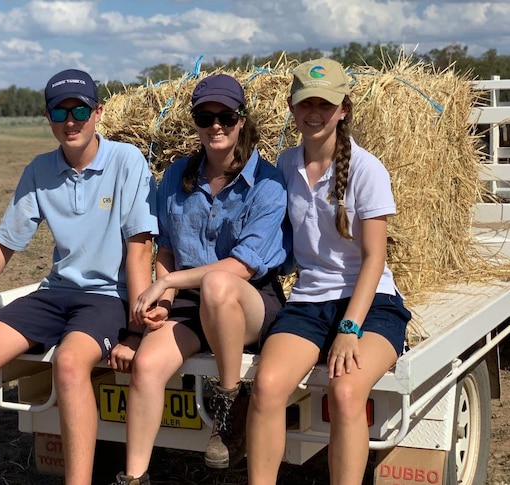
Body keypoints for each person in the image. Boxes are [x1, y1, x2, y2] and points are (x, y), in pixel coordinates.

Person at [0, 68, 158, 485]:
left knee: (70, 364)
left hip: (108, 297)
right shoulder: (40, 170)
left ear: (98, 112)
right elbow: (3, 244)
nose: (70, 120)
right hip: (57, 292)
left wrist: (136, 330)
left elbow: (139, 249)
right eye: (60, 110)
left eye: (79, 109)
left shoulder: (126, 161)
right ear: (48, 116)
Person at [113, 74, 290, 485]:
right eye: (204, 116)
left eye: (225, 116)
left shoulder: (268, 183)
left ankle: (227, 406)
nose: (215, 126)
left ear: (242, 119)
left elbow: (242, 267)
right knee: (146, 367)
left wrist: (167, 284)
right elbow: (169, 252)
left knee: (217, 284)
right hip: (191, 303)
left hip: (248, 302)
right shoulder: (176, 175)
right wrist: (167, 298)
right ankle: (134, 477)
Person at [246, 58, 412, 485]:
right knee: (265, 386)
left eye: (325, 104)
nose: (314, 113)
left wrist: (350, 327)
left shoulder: (367, 169)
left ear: (344, 109)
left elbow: (375, 258)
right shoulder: (283, 166)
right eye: (305, 104)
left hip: (371, 303)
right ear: (291, 107)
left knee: (345, 391)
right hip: (309, 300)